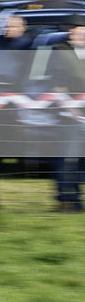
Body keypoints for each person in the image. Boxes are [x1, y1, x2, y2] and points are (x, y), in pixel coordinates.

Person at [49, 24, 85, 211]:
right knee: (68, 160)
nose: (82, 35)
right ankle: (68, 200)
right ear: (71, 33)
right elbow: (58, 84)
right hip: (71, 115)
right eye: (78, 31)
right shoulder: (61, 52)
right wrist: (71, 109)